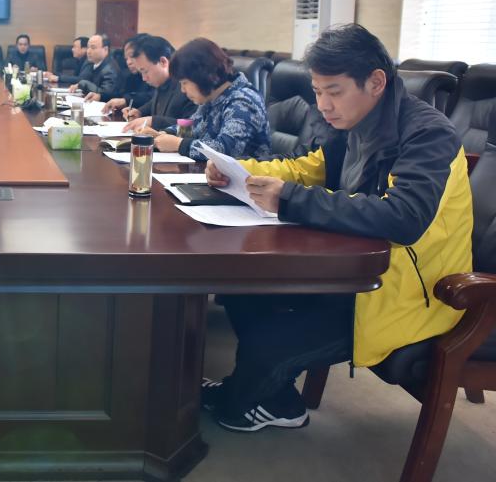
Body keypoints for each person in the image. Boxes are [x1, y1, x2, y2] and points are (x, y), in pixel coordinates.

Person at [202, 24, 472, 433]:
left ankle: (241, 398)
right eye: (317, 92)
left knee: (267, 343)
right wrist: (239, 171)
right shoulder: (356, 123)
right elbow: (308, 169)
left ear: (376, 82)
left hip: (407, 295)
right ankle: (271, 397)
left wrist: (290, 199)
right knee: (242, 288)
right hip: (353, 273)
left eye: (334, 91)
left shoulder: (428, 135)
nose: (323, 105)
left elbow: (403, 218)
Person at [134, 37, 270, 158]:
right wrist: (162, 134)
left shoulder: (243, 100)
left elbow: (225, 150)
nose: (182, 90)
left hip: (248, 177)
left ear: (202, 76)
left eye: (184, 83)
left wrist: (179, 144)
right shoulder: (213, 97)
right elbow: (192, 126)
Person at [122, 35, 197, 130]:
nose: (144, 78)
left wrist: (154, 121)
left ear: (163, 62)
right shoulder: (163, 81)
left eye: (145, 71)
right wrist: (140, 112)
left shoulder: (188, 85)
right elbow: (155, 102)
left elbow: (191, 126)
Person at [97, 33, 153, 111]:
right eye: (126, 58)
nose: (128, 62)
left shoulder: (154, 75)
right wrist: (100, 96)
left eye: (132, 56)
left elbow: (151, 98)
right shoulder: (130, 75)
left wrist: (126, 101)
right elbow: (120, 95)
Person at [67, 34, 118, 98]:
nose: (88, 51)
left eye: (93, 48)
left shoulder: (110, 69)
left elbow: (105, 94)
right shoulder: (94, 64)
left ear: (105, 49)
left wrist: (84, 83)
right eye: (88, 47)